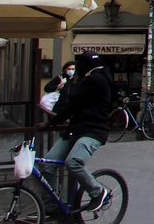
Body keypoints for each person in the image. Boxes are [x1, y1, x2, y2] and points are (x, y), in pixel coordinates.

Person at [47, 52, 114, 212]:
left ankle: (98, 193)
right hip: (76, 129)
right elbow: (73, 107)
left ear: (84, 66)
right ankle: (52, 204)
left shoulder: (95, 79)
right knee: (47, 164)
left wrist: (71, 81)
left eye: (77, 67)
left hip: (93, 131)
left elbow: (73, 98)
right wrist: (52, 123)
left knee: (74, 162)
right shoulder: (90, 78)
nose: (74, 70)